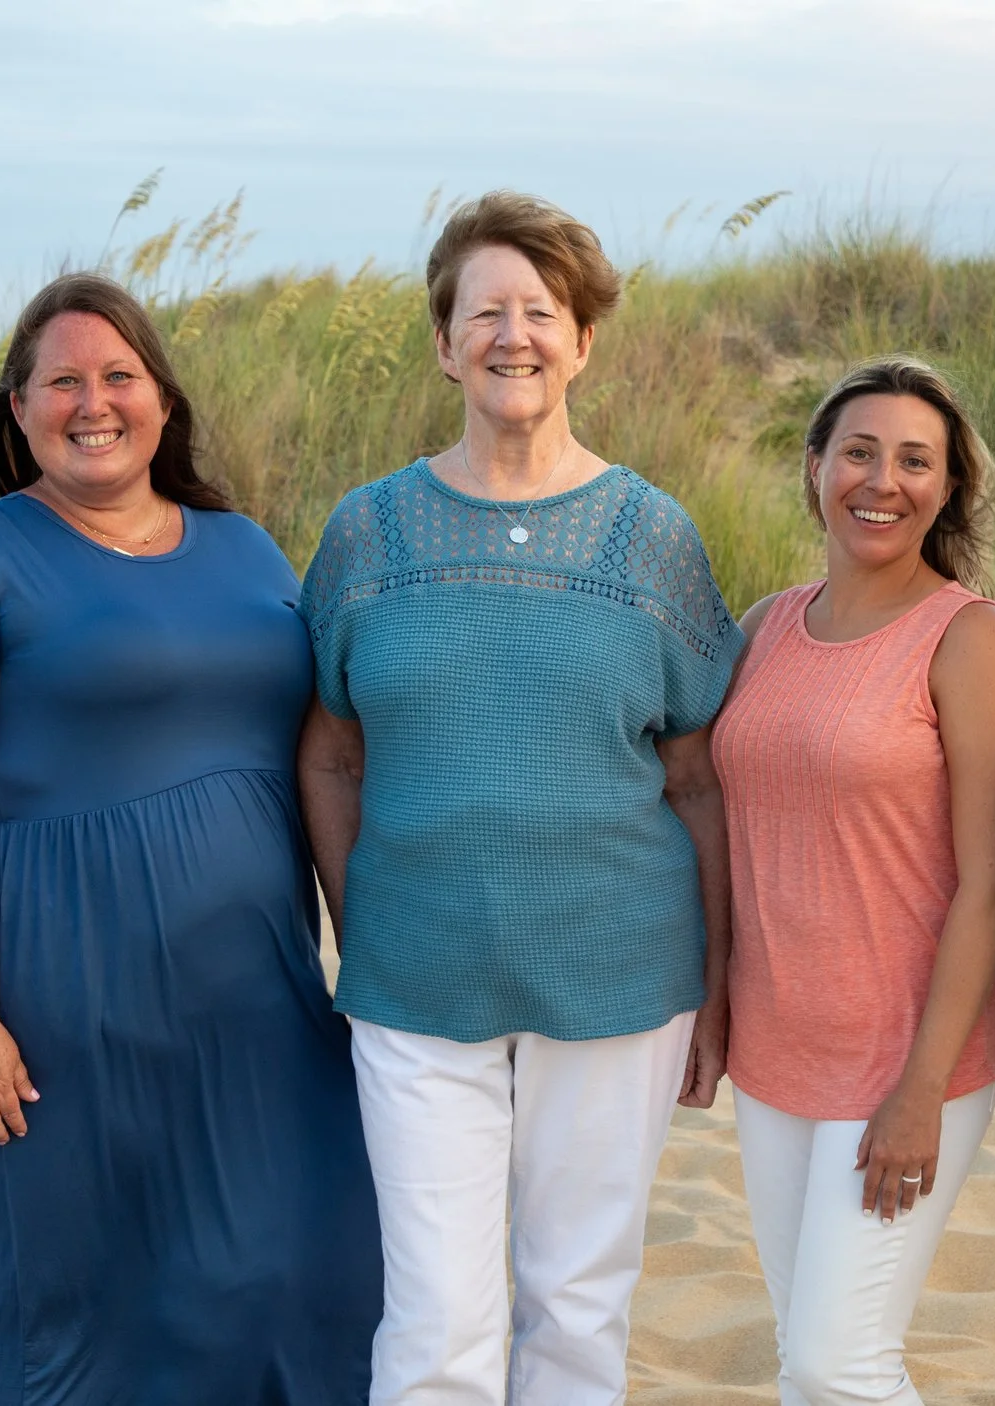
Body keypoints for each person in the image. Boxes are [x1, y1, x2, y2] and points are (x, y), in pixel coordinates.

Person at [0, 272, 382, 1404]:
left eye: (118, 376)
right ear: (17, 408)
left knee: (318, 1279)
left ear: (160, 399)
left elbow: (321, 758)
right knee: (87, 1316)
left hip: (261, 1004)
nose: (91, 402)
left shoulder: (246, 547)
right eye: (62, 381)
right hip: (62, 1015)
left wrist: (369, 957)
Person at [296, 190, 743, 1406]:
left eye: (541, 311)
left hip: (620, 970)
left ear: (582, 341)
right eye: (483, 309)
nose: (514, 334)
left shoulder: (652, 534)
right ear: (443, 341)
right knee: (437, 1319)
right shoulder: (366, 531)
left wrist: (714, 979)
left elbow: (696, 773)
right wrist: (361, 911)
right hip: (414, 975)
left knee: (579, 1300)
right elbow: (329, 754)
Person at [713, 357, 995, 1405]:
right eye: (858, 451)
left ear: (947, 490)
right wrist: (715, 1003)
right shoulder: (766, 624)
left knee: (837, 1360)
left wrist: (916, 1094)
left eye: (914, 460)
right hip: (776, 1048)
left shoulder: (967, 637)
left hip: (909, 1057)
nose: (881, 480)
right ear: (814, 468)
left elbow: (992, 881)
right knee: (801, 1356)